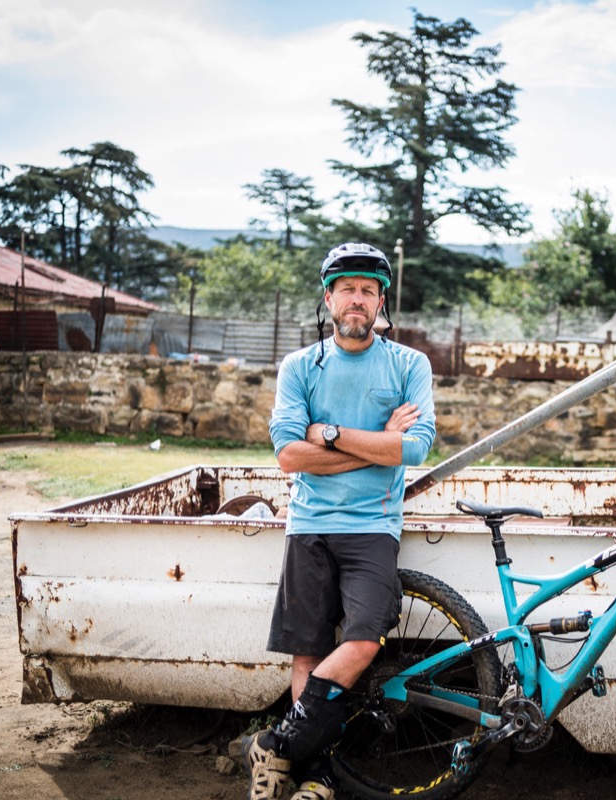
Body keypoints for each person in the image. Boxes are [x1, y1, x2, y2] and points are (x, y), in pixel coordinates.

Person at [243, 242, 437, 800]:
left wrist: (327, 434)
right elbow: (288, 456)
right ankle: (317, 777)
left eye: (368, 291)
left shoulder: (409, 365)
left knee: (364, 639)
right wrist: (379, 446)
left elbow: (415, 448)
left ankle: (276, 744)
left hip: (373, 527)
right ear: (328, 299)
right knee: (308, 651)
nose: (357, 299)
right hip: (309, 524)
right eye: (347, 288)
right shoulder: (300, 366)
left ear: (381, 302)